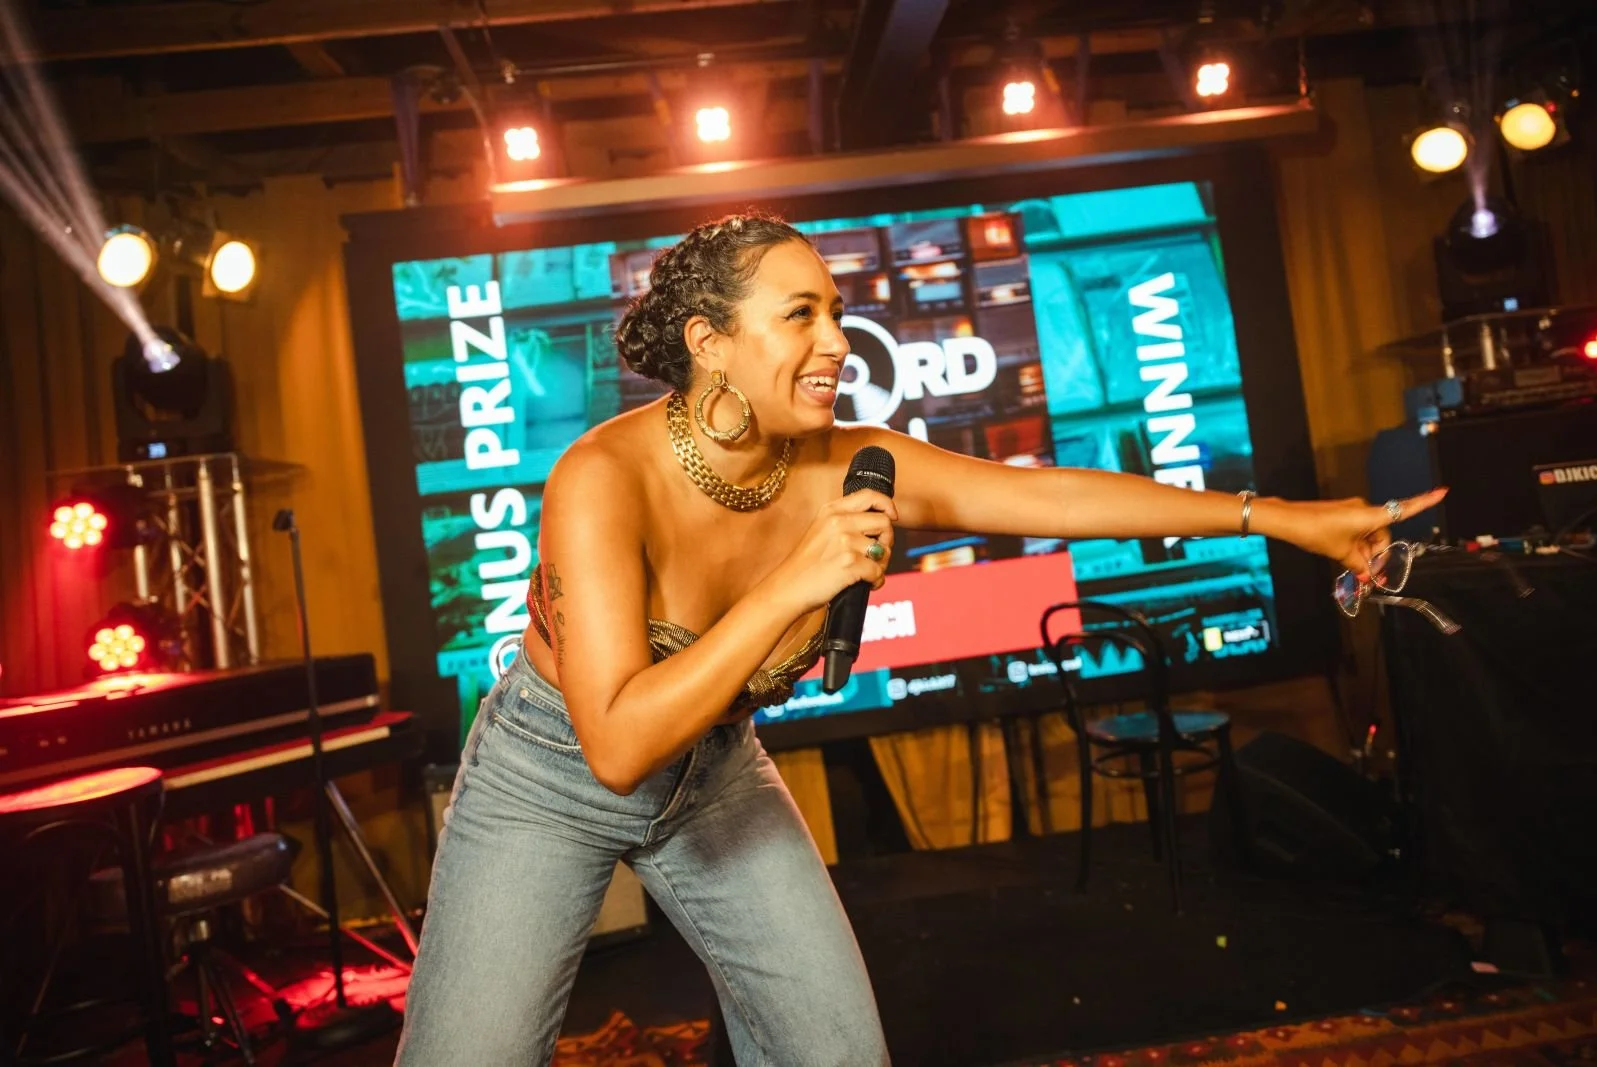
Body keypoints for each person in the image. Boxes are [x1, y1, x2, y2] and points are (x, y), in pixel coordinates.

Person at [394, 212, 1444, 1065]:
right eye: (799, 314)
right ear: (709, 342)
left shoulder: (849, 456)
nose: (837, 343)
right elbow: (618, 744)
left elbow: (1057, 498)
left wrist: (1284, 518)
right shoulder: (602, 478)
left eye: (838, 313)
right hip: (551, 775)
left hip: (714, 772)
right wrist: (792, 584)